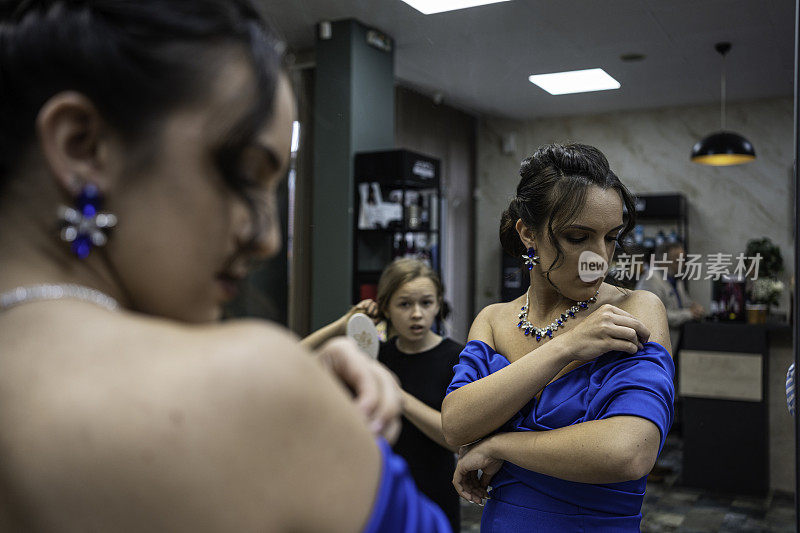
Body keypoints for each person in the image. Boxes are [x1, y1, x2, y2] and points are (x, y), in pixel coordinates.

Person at [0, 1, 451, 531]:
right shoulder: (252, 392)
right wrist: (291, 405)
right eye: (241, 175)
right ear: (83, 145)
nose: (267, 239)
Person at [441, 143, 675, 531]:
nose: (598, 257)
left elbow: (629, 452)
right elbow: (456, 424)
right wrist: (566, 346)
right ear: (528, 233)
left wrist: (499, 445)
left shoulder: (637, 309)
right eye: (578, 237)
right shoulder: (494, 319)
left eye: (612, 237)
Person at [304, 258, 464, 533]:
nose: (416, 314)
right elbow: (297, 361)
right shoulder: (377, 356)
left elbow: (456, 438)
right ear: (386, 308)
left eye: (426, 303)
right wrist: (343, 324)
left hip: (434, 492)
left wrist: (397, 396)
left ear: (438, 305)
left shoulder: (457, 358)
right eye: (404, 304)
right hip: (379, 490)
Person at [636, 241, 705, 351]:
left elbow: (685, 302)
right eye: (677, 260)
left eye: (683, 260)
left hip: (675, 341)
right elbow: (656, 316)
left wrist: (694, 307)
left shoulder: (675, 279)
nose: (682, 264)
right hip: (655, 345)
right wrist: (689, 314)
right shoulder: (651, 279)